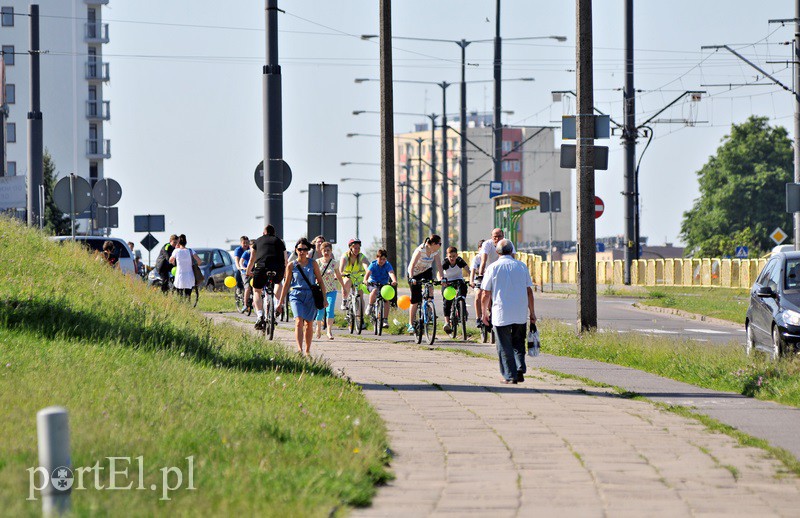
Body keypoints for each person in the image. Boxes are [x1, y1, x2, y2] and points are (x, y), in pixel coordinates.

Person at [481, 239, 536, 384]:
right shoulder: (522, 266)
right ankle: (519, 369)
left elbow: (485, 294)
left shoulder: (492, 268)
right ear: (512, 251)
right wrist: (532, 313)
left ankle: (510, 376)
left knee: (504, 345)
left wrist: (483, 314)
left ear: (497, 252)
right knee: (518, 343)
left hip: (501, 313)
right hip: (520, 313)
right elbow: (529, 291)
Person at [276, 238, 327, 356]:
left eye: (304, 249)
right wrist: (280, 302)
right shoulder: (291, 265)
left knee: (309, 323)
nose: (302, 251)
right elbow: (287, 284)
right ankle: (299, 349)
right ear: (296, 250)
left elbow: (320, 281)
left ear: (308, 250)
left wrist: (324, 298)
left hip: (310, 296)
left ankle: (307, 350)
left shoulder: (312, 263)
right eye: (300, 249)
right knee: (299, 321)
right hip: (296, 295)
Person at [246, 225, 287, 330]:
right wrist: (285, 272)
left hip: (261, 268)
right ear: (274, 233)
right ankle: (277, 304)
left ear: (264, 233)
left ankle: (259, 315)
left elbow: (252, 259)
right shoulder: (279, 241)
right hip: (277, 268)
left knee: (257, 290)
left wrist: (248, 270)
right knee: (278, 283)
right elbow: (285, 259)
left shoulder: (258, 241)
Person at [477, 228, 516, 327]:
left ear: (503, 236)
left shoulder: (508, 243)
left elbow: (513, 259)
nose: (497, 239)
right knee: (482, 293)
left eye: (500, 236)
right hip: (489, 271)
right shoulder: (487, 244)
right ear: (491, 237)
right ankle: (482, 315)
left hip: (502, 271)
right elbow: (483, 261)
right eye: (495, 237)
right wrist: (480, 275)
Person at [406, 234, 444, 334]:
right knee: (415, 299)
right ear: (434, 244)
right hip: (414, 273)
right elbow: (411, 265)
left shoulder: (435, 252)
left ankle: (429, 309)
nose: (440, 245)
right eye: (439, 243)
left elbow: (439, 265)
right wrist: (411, 278)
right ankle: (411, 324)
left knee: (430, 287)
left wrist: (442, 278)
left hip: (426, 271)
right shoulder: (421, 250)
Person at [315, 241, 344, 340]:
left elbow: (339, 275)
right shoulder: (317, 262)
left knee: (330, 309)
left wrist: (343, 286)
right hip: (320, 291)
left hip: (331, 290)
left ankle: (329, 331)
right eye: (324, 250)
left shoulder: (334, 263)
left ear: (331, 251)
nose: (326, 252)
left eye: (328, 250)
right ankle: (318, 328)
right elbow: (313, 274)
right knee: (320, 312)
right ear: (321, 251)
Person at [364, 249, 398, 329]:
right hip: (373, 284)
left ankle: (385, 320)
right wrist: (365, 280)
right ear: (377, 258)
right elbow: (368, 273)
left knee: (386, 300)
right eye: (380, 259)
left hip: (383, 285)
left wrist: (394, 280)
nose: (382, 261)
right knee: (375, 290)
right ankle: (370, 306)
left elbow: (391, 273)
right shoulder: (373, 264)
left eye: (384, 259)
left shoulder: (387, 265)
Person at [441, 246, 470, 334]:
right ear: (447, 256)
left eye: (454, 256)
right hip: (448, 282)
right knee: (447, 301)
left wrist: (471, 278)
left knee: (463, 289)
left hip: (458, 280)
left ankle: (462, 307)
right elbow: (440, 272)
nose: (452, 258)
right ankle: (447, 322)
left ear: (457, 255)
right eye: (450, 256)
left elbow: (467, 269)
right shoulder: (445, 262)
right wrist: (441, 280)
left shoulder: (459, 261)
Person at [169, 234, 202, 299]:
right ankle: (188, 306)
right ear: (186, 241)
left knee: (179, 294)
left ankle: (181, 307)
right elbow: (199, 261)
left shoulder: (176, 251)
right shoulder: (190, 250)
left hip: (180, 275)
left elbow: (170, 260)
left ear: (178, 242)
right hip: (189, 275)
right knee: (188, 295)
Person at [339, 238, 369, 310]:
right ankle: (344, 300)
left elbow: (367, 267)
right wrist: (341, 273)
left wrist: (368, 273)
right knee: (347, 282)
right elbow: (341, 269)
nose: (357, 250)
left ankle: (361, 318)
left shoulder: (361, 256)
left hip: (359, 278)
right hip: (347, 276)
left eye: (359, 248)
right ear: (350, 248)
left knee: (360, 296)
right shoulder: (345, 256)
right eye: (355, 248)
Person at [469, 239, 485, 325]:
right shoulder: (477, 258)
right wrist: (471, 281)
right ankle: (478, 317)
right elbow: (472, 270)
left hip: (488, 279)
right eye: (481, 248)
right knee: (478, 294)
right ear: (478, 249)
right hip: (478, 279)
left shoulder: (490, 256)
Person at [234, 236, 252, 313]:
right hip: (242, 268)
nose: (245, 244)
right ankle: (238, 288)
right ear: (241, 243)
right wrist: (239, 268)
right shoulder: (238, 250)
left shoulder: (250, 249)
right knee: (239, 275)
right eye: (244, 243)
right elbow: (237, 260)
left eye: (247, 243)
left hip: (249, 268)